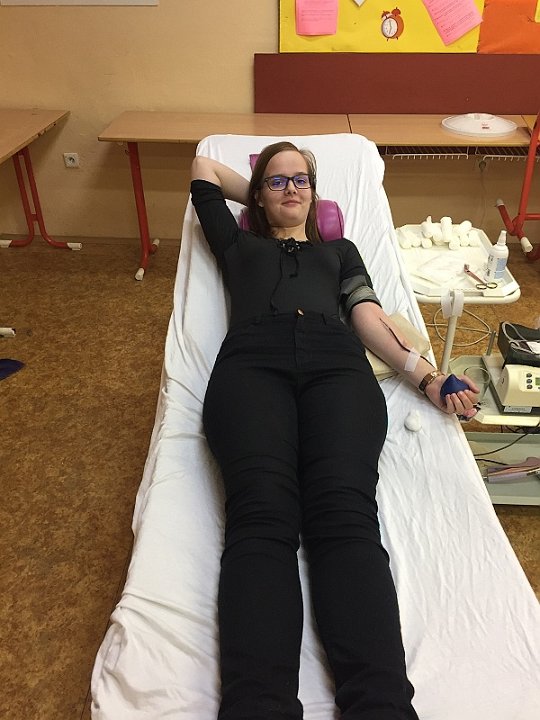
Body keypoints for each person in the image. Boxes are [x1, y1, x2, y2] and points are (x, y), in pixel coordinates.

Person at [190, 141, 478, 720]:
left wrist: (427, 377)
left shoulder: (340, 252)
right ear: (257, 195)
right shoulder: (237, 244)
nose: (291, 187)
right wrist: (263, 198)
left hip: (337, 365)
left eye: (301, 180)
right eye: (277, 180)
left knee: (344, 518)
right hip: (252, 364)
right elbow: (203, 169)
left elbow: (369, 318)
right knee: (261, 516)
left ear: (316, 193)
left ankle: (381, 706)